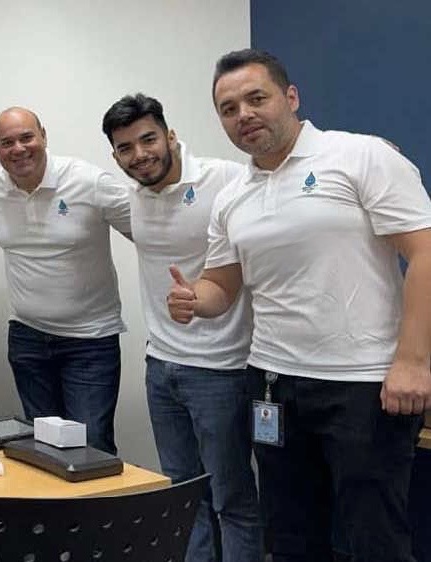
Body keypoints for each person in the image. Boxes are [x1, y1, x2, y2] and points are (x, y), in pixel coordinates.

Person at [167, 49, 431, 562]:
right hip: (273, 384)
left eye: (256, 98)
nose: (243, 115)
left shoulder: (361, 156)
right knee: (290, 541)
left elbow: (424, 253)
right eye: (228, 109)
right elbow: (221, 287)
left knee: (373, 540)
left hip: (364, 385)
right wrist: (194, 300)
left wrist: (413, 361)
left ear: (291, 97)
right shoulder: (233, 196)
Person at [102, 94, 261, 561]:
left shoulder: (225, 178)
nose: (140, 154)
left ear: (170, 136)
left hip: (221, 369)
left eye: (148, 139)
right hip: (161, 367)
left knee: (232, 499)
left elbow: (281, 188)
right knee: (184, 495)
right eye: (126, 148)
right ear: (116, 156)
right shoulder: (134, 197)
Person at [0, 106, 132, 454]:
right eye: (7, 142)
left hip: (90, 340)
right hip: (27, 339)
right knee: (43, 445)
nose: (18, 148)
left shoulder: (89, 182)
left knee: (91, 447)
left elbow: (148, 231)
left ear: (43, 136)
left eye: (26, 137)